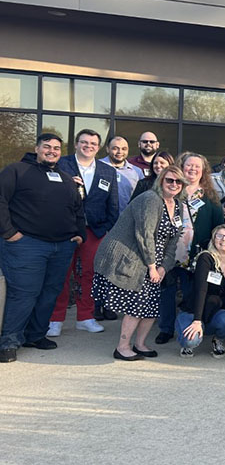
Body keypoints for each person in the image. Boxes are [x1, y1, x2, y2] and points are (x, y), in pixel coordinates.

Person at [0, 133, 84, 363]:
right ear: (36, 148)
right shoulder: (16, 171)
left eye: (57, 148)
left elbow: (77, 209)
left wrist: (79, 234)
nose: (52, 151)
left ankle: (35, 335)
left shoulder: (66, 178)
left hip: (61, 247)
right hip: (27, 245)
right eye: (47, 146)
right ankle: (9, 341)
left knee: (50, 293)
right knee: (24, 294)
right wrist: (9, 232)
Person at [91, 165, 185, 361]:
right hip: (136, 257)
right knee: (137, 305)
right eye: (169, 180)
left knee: (152, 306)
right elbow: (144, 235)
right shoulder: (151, 199)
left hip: (156, 262)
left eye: (178, 181)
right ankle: (122, 347)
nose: (174, 184)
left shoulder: (178, 205)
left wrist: (163, 267)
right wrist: (152, 266)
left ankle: (140, 344)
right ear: (161, 181)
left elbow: (174, 240)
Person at [49, 129, 119, 335]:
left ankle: (85, 317)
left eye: (93, 144)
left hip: (95, 232)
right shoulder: (61, 165)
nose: (88, 146)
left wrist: (107, 229)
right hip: (65, 229)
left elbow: (113, 205)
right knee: (61, 274)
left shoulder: (108, 171)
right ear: (77, 144)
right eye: (84, 142)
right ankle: (56, 319)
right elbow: (48, 195)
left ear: (99, 147)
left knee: (89, 275)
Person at [157, 152, 223, 344]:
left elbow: (218, 227)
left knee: (189, 294)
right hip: (169, 253)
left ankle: (185, 328)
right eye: (189, 166)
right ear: (181, 167)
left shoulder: (210, 197)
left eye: (197, 167)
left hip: (195, 256)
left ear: (203, 172)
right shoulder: (172, 190)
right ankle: (166, 329)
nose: (192, 169)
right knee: (166, 292)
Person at [176, 224, 225, 358]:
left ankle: (217, 339)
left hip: (214, 313)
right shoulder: (205, 258)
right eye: (219, 236)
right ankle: (189, 342)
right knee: (191, 340)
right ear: (213, 240)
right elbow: (201, 290)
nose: (224, 239)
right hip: (193, 311)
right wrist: (196, 320)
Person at [100, 135, 142, 212]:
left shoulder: (137, 172)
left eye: (124, 149)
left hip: (127, 219)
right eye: (115, 148)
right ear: (107, 149)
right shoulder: (96, 167)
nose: (120, 152)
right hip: (101, 220)